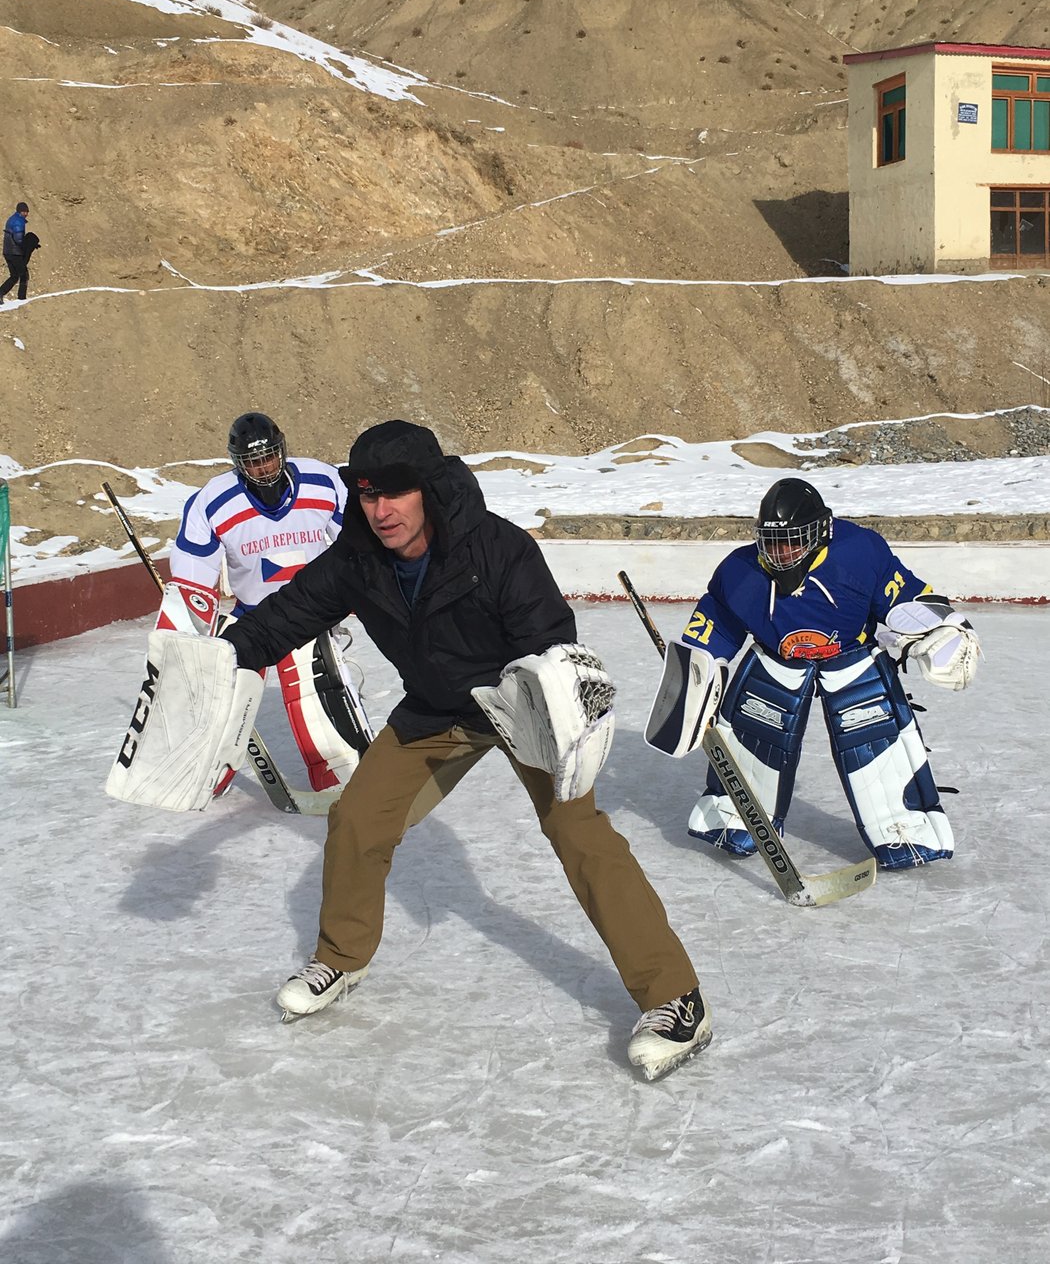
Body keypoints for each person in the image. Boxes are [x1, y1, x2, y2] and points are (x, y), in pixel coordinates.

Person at [219, 419, 708, 1081]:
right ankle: (342, 955)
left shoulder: (497, 549)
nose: (381, 510)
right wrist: (223, 658)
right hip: (435, 708)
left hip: (519, 704)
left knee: (577, 831)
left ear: (429, 489)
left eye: (394, 493)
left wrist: (555, 717)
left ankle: (675, 998)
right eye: (366, 495)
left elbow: (552, 641)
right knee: (359, 817)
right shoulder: (359, 556)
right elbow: (291, 613)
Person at [646, 477, 981, 871]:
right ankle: (734, 817)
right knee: (754, 732)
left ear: (821, 531)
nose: (781, 552)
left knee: (875, 734)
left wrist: (944, 630)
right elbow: (713, 630)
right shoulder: (738, 572)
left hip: (853, 659)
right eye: (772, 541)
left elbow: (904, 595)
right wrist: (693, 681)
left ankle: (903, 827)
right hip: (775, 662)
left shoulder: (860, 552)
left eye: (793, 539)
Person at [158, 411, 369, 794]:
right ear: (237, 463)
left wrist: (360, 591)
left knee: (315, 691)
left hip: (311, 612)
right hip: (253, 615)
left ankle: (339, 775)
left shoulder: (324, 481)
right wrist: (188, 627)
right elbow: (193, 570)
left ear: (282, 450)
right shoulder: (213, 499)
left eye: (269, 456)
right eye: (253, 461)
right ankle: (200, 778)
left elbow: (357, 543)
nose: (264, 467)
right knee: (220, 691)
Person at [0, 201, 31, 304]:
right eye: (24, 211)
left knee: (14, 276)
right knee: (24, 275)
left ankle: (0, 293)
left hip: (7, 251)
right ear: (20, 211)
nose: (26, 213)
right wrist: (26, 245)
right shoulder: (18, 221)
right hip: (15, 253)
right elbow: (18, 239)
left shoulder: (12, 219)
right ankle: (21, 300)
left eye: (27, 211)